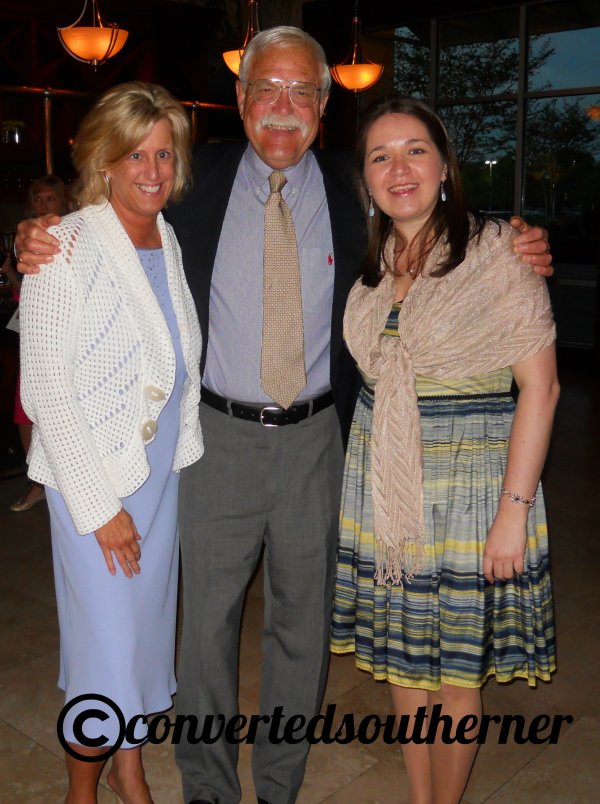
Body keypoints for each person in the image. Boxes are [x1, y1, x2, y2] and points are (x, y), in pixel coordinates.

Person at [15, 27, 553, 804]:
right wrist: (37, 234)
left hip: (318, 444)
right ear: (239, 99)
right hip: (215, 441)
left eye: (303, 92)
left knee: (303, 630)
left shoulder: (353, 184)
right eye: (267, 89)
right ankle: (207, 785)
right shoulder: (189, 184)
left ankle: (277, 785)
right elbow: (111, 202)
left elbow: (432, 207)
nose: (283, 108)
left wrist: (519, 236)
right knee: (202, 631)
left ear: (325, 106)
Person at [331, 96, 559, 804]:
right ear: (365, 177)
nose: (399, 168)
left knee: (456, 679)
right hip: (386, 490)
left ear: (445, 166)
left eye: (415, 150)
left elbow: (542, 390)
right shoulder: (373, 264)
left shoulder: (497, 252)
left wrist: (512, 514)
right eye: (380, 155)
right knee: (406, 673)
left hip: (471, 488)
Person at [18, 82, 203, 803]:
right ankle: (82, 790)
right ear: (104, 161)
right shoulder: (63, 246)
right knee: (105, 653)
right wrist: (101, 508)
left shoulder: (168, 236)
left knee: (144, 641)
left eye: (164, 152)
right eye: (135, 155)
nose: (153, 170)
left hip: (158, 477)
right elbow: (46, 391)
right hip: (92, 479)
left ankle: (131, 768)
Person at [5, 175, 71, 512]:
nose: (42, 205)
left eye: (49, 199)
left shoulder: (68, 237)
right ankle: (38, 482)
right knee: (23, 415)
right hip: (31, 342)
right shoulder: (28, 237)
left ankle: (56, 485)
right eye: (37, 199)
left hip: (62, 345)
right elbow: (24, 293)